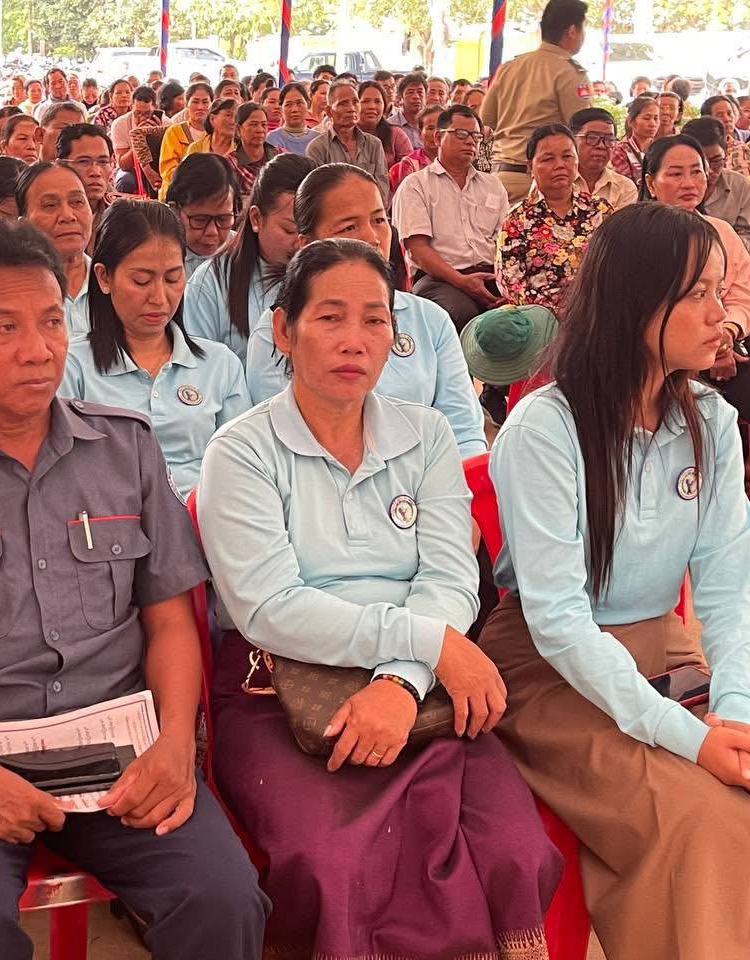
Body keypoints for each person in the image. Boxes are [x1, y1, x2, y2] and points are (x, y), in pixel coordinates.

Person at [0, 218, 269, 960]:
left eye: (49, 322)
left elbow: (171, 622)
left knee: (223, 899)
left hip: (117, 749)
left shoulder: (126, 449)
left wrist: (175, 745)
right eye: (4, 328)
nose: (37, 349)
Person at [201, 238, 560, 960]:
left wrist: (400, 682)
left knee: (514, 850)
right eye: (330, 317)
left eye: (374, 320)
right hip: (278, 688)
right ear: (283, 330)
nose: (355, 340)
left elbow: (451, 577)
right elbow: (270, 608)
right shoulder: (240, 452)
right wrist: (428, 644)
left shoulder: (425, 435)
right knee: (332, 865)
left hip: (424, 684)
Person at [480, 202, 750, 959]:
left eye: (720, 290)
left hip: (660, 647)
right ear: (637, 302)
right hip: (549, 669)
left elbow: (729, 584)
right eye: (698, 294)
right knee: (703, 819)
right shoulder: (547, 429)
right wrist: (689, 739)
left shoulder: (709, 420)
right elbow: (560, 621)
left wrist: (733, 715)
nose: (721, 314)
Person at [245, 164, 486, 455]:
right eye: (349, 227)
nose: (372, 238)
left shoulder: (430, 319)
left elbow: (464, 432)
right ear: (307, 244)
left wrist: (441, 478)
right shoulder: (280, 330)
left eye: (379, 220)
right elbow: (282, 440)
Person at [59, 200, 249, 497]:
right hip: (114, 516)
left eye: (172, 278)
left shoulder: (219, 364)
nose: (159, 297)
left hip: (204, 515)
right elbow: (67, 472)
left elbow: (241, 464)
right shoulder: (73, 366)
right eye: (141, 281)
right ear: (104, 277)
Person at [638, 134, 750, 417]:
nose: (688, 183)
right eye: (675, 174)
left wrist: (726, 334)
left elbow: (742, 295)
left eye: (696, 172)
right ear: (650, 183)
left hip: (722, 343)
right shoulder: (635, 238)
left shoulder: (722, 232)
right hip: (653, 357)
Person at [185, 154, 316, 361]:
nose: (301, 242)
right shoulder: (209, 284)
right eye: (290, 230)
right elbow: (201, 371)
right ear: (256, 219)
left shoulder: (332, 277)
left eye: (311, 231)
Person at [393, 105, 509, 330]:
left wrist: (509, 286)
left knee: (520, 311)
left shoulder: (493, 185)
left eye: (476, 136)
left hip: (490, 273)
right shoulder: (416, 185)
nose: (470, 141)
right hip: (439, 277)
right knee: (461, 313)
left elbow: (505, 243)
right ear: (438, 138)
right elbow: (418, 250)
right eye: (461, 134)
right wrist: (462, 282)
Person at [481, 0, 592, 201]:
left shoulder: (510, 67)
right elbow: (582, 131)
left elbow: (486, 120)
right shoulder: (569, 72)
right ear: (572, 31)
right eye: (584, 27)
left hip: (499, 177)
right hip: (539, 182)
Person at [497, 124, 611, 312]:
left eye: (567, 156)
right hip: (540, 317)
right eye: (548, 159)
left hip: (597, 312)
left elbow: (617, 266)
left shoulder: (600, 210)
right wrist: (555, 314)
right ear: (530, 166)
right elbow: (512, 284)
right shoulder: (517, 219)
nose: (560, 165)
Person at [17, 161, 93, 335]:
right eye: (50, 205)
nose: (68, 216)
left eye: (77, 202)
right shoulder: (10, 292)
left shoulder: (114, 283)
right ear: (24, 224)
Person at [305, 83, 390, 206]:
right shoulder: (317, 148)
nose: (351, 108)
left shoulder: (374, 144)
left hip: (370, 211)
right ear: (329, 111)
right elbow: (317, 196)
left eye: (355, 102)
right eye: (343, 104)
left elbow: (382, 190)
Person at [167, 153, 240, 277]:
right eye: (200, 220)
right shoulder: (161, 256)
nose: (212, 232)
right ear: (176, 211)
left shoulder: (243, 252)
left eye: (223, 219)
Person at [687, 117, 750, 250]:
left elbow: (746, 232)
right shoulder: (676, 185)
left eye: (716, 161)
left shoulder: (739, 184)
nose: (709, 170)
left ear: (726, 152)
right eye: (700, 164)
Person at [569, 107, 637, 209]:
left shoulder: (625, 187)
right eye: (592, 137)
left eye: (609, 139)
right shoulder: (557, 181)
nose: (601, 146)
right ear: (571, 140)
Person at [158, 83, 214, 200]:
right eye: (195, 102)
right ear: (187, 104)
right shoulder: (174, 132)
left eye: (205, 102)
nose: (200, 107)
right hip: (178, 191)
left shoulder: (215, 133)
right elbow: (168, 171)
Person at [56, 123, 119, 225]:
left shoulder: (122, 212)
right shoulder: (46, 210)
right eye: (83, 162)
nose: (95, 172)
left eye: (103, 162)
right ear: (61, 165)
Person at [358, 81, 413, 171]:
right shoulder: (347, 135)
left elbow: (408, 169)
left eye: (378, 101)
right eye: (365, 101)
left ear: (384, 106)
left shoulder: (396, 135)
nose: (372, 106)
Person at [389, 105, 444, 194]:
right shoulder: (410, 164)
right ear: (420, 133)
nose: (436, 133)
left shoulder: (455, 162)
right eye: (430, 128)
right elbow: (406, 197)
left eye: (441, 128)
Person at [610, 95, 659, 184]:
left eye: (656, 118)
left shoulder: (661, 149)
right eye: (646, 118)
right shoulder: (620, 150)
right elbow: (624, 184)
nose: (652, 124)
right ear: (631, 121)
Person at [700, 95, 750, 177]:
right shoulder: (699, 148)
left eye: (729, 113)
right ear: (707, 119)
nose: (727, 119)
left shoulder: (741, 148)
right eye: (720, 115)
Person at [266, 82, 320, 155]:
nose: (294, 109)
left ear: (308, 105)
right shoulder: (272, 139)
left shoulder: (318, 139)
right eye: (288, 104)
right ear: (281, 109)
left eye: (299, 103)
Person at [183, 96, 237, 163]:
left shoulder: (240, 149)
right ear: (212, 119)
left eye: (236, 117)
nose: (233, 121)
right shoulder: (196, 148)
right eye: (228, 115)